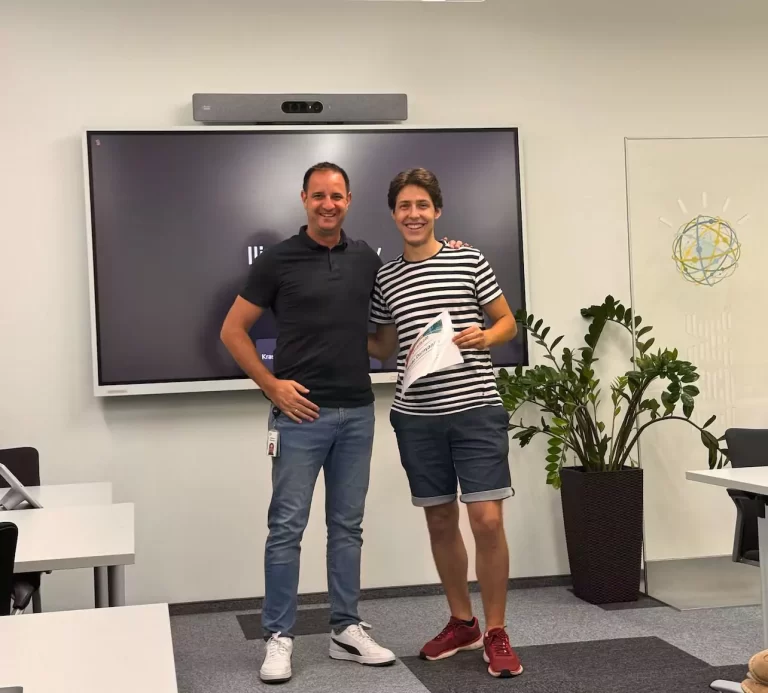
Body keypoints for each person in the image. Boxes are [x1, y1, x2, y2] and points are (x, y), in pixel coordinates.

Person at [220, 162, 396, 683]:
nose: (328, 204)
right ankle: (278, 636)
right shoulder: (277, 260)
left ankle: (345, 630)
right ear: (304, 199)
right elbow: (232, 332)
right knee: (286, 530)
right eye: (318, 195)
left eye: (336, 196)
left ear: (349, 200)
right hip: (299, 416)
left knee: (347, 528)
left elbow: (381, 343)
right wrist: (272, 385)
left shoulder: (366, 259)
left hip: (357, 412)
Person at [367, 168, 523, 679]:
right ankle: (463, 622)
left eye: (422, 205)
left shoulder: (467, 258)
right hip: (416, 417)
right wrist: (332, 330)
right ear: (393, 214)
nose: (413, 214)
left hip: (475, 409)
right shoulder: (385, 278)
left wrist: (486, 336)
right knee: (439, 520)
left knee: (487, 520)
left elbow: (507, 322)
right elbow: (383, 345)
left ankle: (496, 630)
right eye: (404, 206)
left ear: (437, 210)